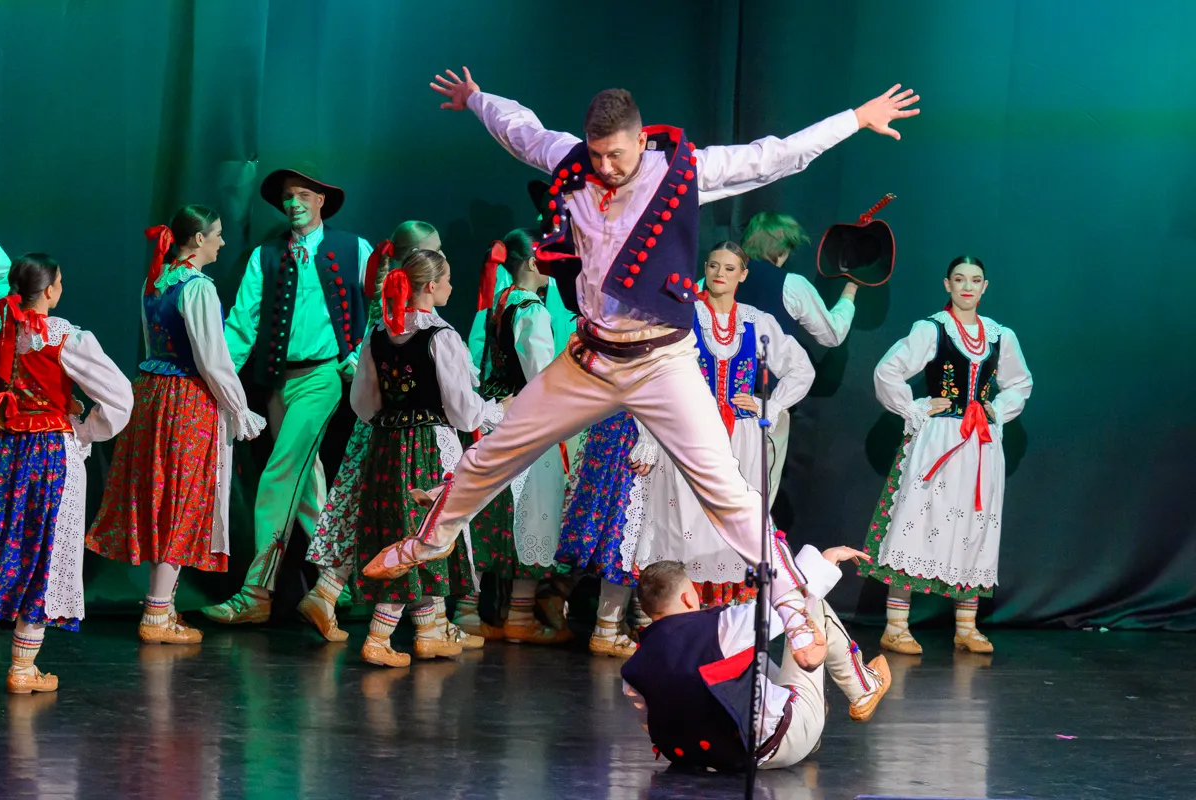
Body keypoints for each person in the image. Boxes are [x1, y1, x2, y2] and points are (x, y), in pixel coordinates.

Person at [362, 66, 921, 659]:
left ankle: (792, 606)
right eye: (597, 153)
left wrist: (856, 119)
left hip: (661, 361)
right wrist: (476, 98)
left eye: (617, 154)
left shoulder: (681, 172)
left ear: (639, 137)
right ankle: (430, 540)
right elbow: (520, 129)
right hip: (591, 358)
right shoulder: (574, 162)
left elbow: (773, 157)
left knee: (727, 490)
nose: (606, 166)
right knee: (498, 448)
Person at [86, 207, 266, 645]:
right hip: (186, 401)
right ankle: (156, 613)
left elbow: (156, 347)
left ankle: (161, 605)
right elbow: (213, 361)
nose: (222, 242)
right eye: (217, 234)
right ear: (199, 238)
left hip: (153, 395)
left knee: (164, 497)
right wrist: (240, 409)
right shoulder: (198, 287)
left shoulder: (155, 281)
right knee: (182, 499)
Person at [203, 166, 373, 624]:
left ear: (321, 199)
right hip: (278, 382)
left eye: (301, 195)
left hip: (323, 376)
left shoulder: (354, 248)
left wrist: (359, 356)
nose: (293, 203)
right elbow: (242, 324)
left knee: (280, 473)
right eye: (286, 197)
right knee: (305, 482)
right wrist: (217, 379)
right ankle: (338, 582)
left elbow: (379, 307)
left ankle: (257, 591)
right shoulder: (266, 255)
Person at [858, 255, 1032, 654]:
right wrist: (914, 406)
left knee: (975, 522)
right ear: (947, 284)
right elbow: (888, 370)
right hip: (940, 437)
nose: (967, 286)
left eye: (975, 280)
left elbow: (1020, 382)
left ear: (985, 287)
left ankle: (966, 626)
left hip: (981, 442)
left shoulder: (1000, 335)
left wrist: (998, 409)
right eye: (959, 279)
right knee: (918, 519)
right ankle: (896, 625)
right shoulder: (932, 328)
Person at [350, 249, 506, 667]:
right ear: (432, 285)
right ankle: (379, 637)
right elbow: (463, 410)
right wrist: (496, 412)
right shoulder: (440, 336)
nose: (452, 287)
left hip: (386, 444)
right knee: (421, 536)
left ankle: (428, 631)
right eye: (448, 279)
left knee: (402, 531)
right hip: (426, 445)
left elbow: (363, 403)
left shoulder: (380, 333)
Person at [635, 242, 814, 604]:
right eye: (714, 266)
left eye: (730, 268)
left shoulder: (757, 321)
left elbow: (801, 368)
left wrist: (769, 404)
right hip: (689, 433)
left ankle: (722, 611)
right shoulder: (684, 317)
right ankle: (673, 606)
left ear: (743, 275)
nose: (720, 274)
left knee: (731, 522)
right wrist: (649, 437)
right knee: (684, 520)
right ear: (705, 268)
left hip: (740, 437)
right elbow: (652, 374)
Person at [0, 255, 133, 692]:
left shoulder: (4, 330)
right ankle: (22, 667)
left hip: (7, 452)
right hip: (50, 456)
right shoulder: (62, 336)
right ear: (51, 289)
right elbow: (120, 397)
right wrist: (85, 430)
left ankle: (23, 666)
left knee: (9, 545)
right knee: (45, 552)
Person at [621, 548, 888, 772]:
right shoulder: (721, 627)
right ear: (686, 598)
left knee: (739, 661)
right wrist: (826, 561)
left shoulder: (634, 667)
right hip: (776, 746)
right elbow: (787, 605)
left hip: (708, 757)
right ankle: (863, 688)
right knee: (812, 607)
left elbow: (654, 722)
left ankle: (813, 717)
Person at [301, 220, 441, 642]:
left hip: (376, 425)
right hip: (396, 430)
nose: (441, 257)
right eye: (434, 250)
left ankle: (327, 593)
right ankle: (425, 625)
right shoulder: (403, 307)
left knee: (360, 511)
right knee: (406, 519)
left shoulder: (389, 299)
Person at [456, 230, 570, 645]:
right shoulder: (532, 310)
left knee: (487, 510)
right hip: (525, 420)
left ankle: (470, 609)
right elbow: (541, 375)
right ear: (536, 264)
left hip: (492, 417)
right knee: (531, 513)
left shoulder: (495, 305)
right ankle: (518, 615)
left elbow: (479, 364)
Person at [736, 212, 859, 502]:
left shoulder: (712, 280)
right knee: (755, 495)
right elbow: (832, 334)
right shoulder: (791, 284)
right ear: (781, 247)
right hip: (762, 406)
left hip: (715, 403)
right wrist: (850, 292)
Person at [555, 410, 656, 657]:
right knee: (625, 530)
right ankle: (607, 629)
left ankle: (618, 624)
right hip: (633, 431)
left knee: (626, 528)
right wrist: (648, 438)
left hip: (619, 426)